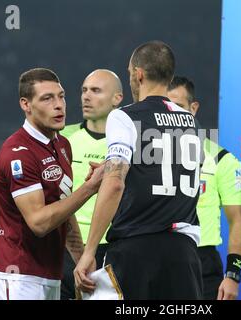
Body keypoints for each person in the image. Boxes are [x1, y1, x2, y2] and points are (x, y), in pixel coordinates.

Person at [74, 41, 203, 299]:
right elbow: (167, 169)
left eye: (130, 71)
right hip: (184, 255)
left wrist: (88, 252)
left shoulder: (124, 117)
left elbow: (115, 182)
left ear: (139, 74)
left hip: (137, 251)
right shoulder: (191, 121)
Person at [0, 68, 103, 300]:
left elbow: (64, 208)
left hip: (51, 274)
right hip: (18, 274)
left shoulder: (62, 145)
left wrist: (82, 258)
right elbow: (39, 222)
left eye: (61, 96)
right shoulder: (17, 153)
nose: (59, 105)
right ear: (26, 104)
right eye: (47, 98)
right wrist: (90, 188)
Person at [168, 76, 241, 300]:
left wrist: (233, 274)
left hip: (202, 263)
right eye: (167, 108)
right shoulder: (145, 157)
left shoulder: (222, 159)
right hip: (157, 258)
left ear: (193, 109)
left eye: (179, 107)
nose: (172, 116)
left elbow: (237, 220)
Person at [59, 69, 123, 300]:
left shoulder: (128, 144)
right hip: (64, 247)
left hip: (111, 249)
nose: (86, 96)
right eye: (84, 90)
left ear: (117, 98)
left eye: (96, 91)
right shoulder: (61, 138)